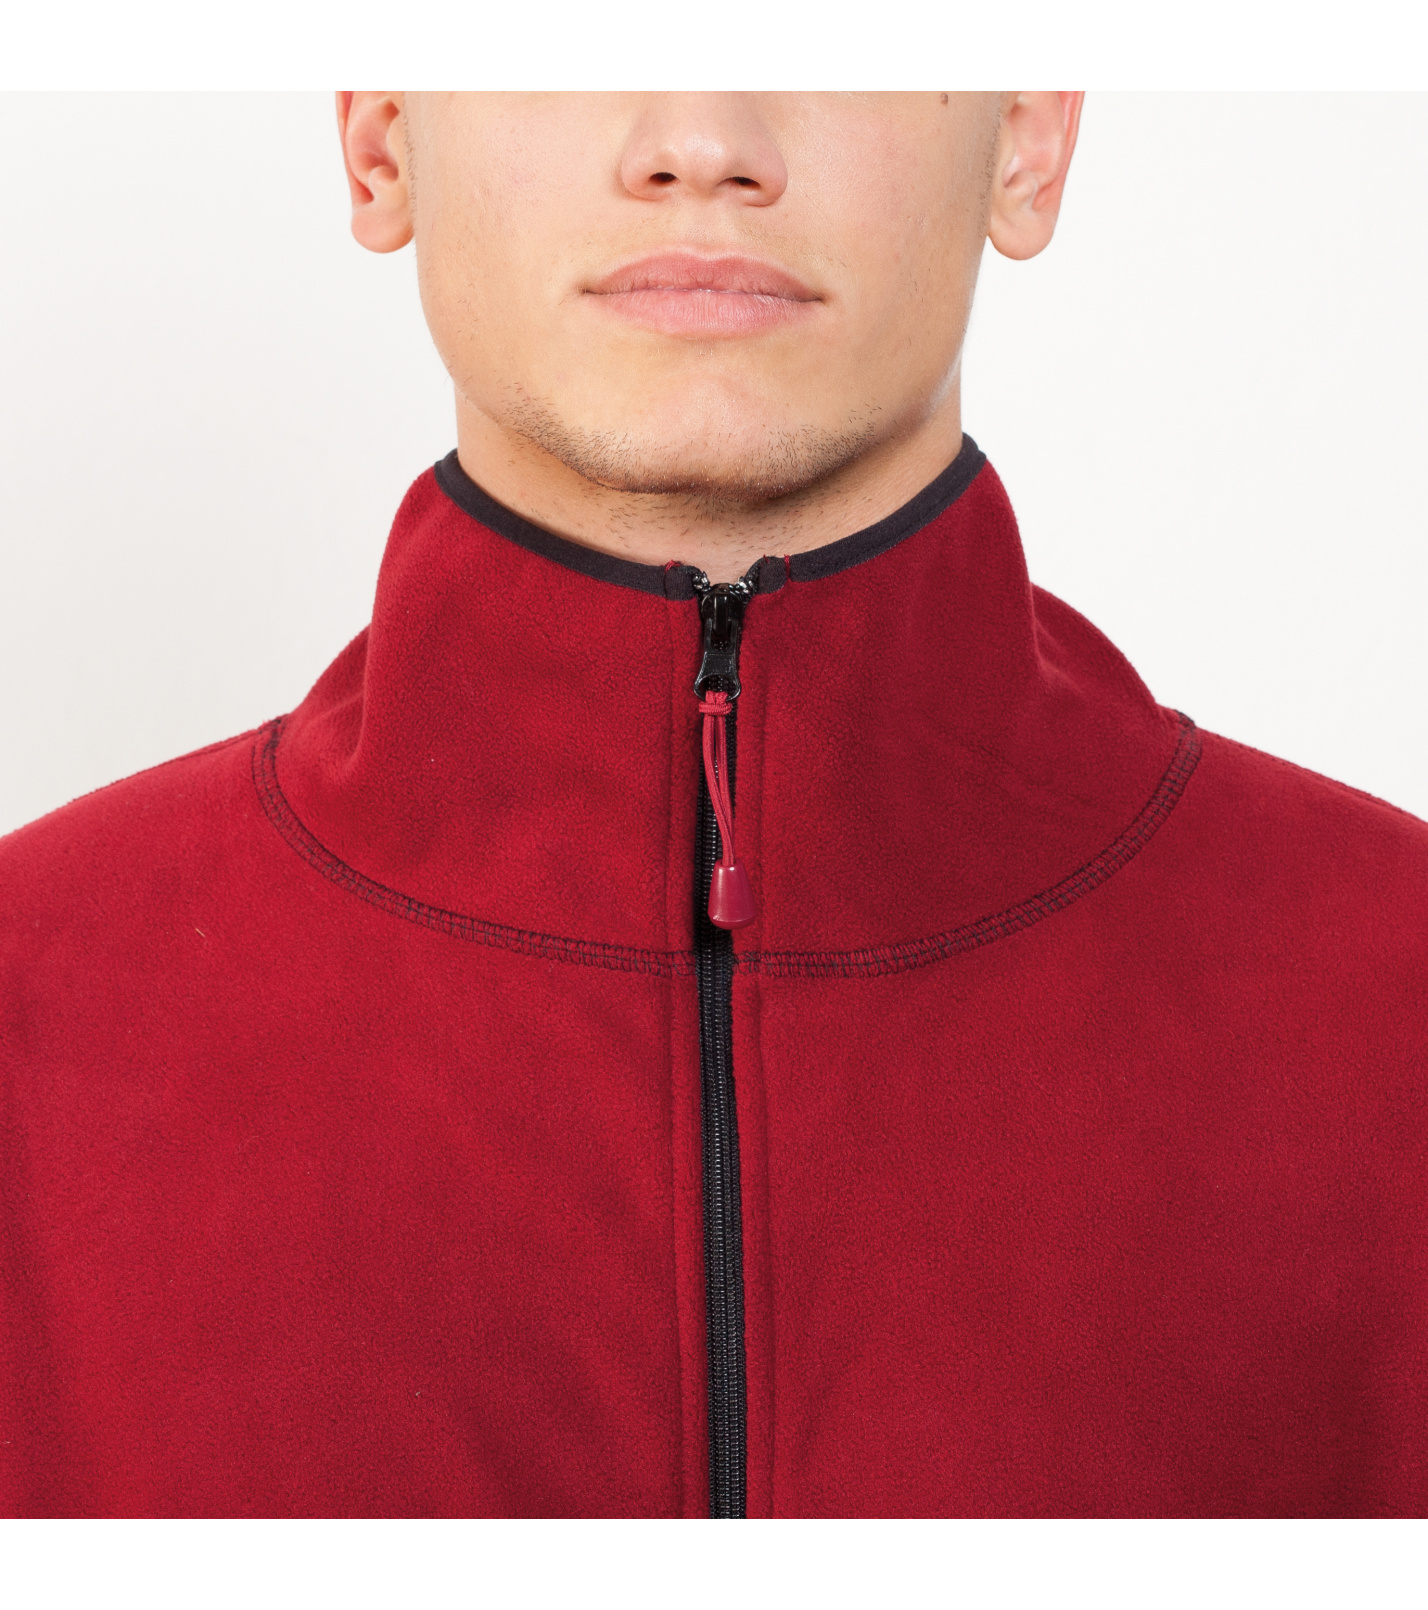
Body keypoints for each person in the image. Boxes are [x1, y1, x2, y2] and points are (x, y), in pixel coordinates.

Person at [1, 91, 1423, 1519]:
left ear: (1029, 140)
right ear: (379, 137)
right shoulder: (34, 1018)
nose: (700, 140)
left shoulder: (1389, 1003)